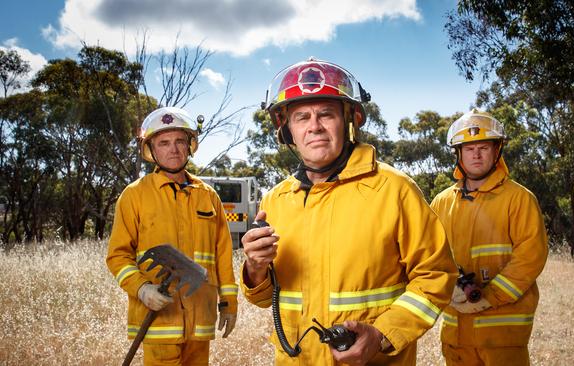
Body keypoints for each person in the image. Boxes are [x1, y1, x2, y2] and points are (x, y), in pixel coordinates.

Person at [241, 57, 457, 365]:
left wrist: (382, 334)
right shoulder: (275, 200)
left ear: (348, 121)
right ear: (287, 130)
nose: (314, 126)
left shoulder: (395, 190)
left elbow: (436, 277)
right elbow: (265, 299)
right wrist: (255, 268)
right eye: (301, 117)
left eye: (325, 114)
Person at [106, 106, 238, 365]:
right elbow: (118, 256)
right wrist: (142, 289)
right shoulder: (135, 195)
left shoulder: (208, 196)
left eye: (180, 141)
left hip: (200, 318)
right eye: (164, 143)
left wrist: (229, 302)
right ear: (151, 149)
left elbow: (222, 255)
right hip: (158, 321)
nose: (173, 149)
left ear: (190, 145)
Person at [430, 109, 548, 366]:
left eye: (483, 147)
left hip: (502, 335)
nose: (476, 154)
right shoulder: (441, 202)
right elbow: (429, 255)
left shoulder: (519, 199)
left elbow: (531, 257)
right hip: (456, 335)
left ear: (497, 151)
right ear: (458, 154)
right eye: (469, 148)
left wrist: (488, 296)